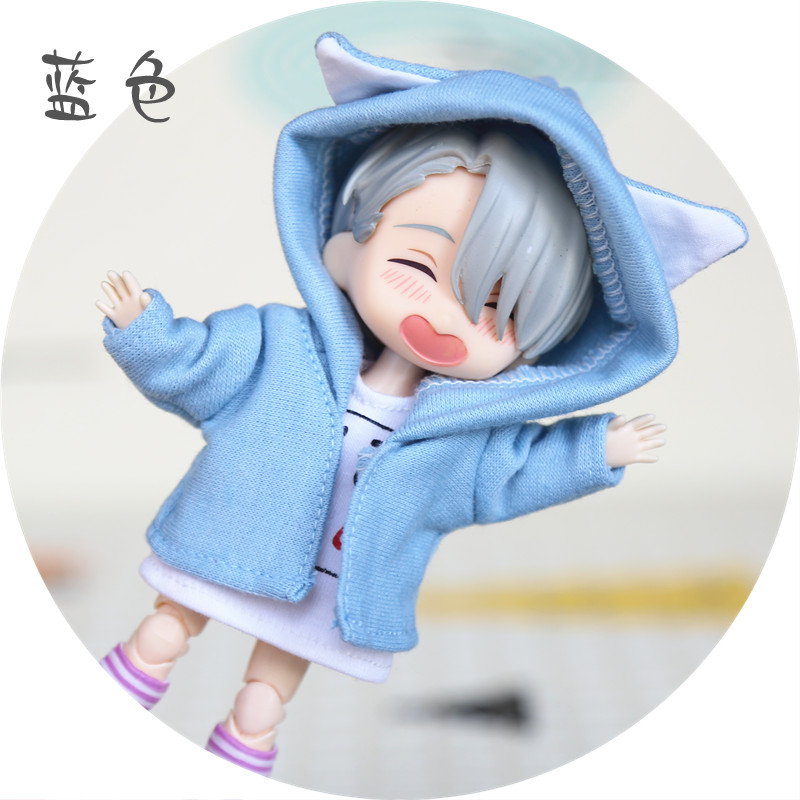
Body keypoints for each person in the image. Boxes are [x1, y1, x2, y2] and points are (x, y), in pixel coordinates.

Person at [96, 33, 747, 776]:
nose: (442, 316)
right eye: (415, 265)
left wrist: (593, 451)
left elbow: (510, 473)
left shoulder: (464, 435)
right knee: (170, 622)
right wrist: (144, 331)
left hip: (333, 590)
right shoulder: (280, 345)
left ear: (542, 348)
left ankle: (249, 738)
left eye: (498, 310)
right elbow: (200, 365)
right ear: (347, 251)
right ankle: (137, 673)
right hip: (227, 538)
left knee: (273, 676)